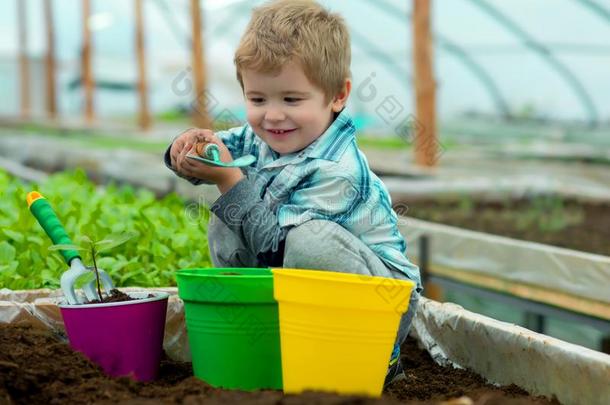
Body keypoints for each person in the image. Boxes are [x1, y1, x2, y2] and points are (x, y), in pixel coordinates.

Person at [165, 0, 421, 388]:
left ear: (337, 96)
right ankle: (262, 334)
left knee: (305, 238)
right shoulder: (265, 135)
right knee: (227, 215)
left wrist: (228, 179)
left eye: (291, 100)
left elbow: (278, 247)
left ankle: (377, 356)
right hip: (298, 287)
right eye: (257, 99)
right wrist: (185, 149)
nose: (272, 116)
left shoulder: (338, 170)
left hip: (379, 304)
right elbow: (216, 153)